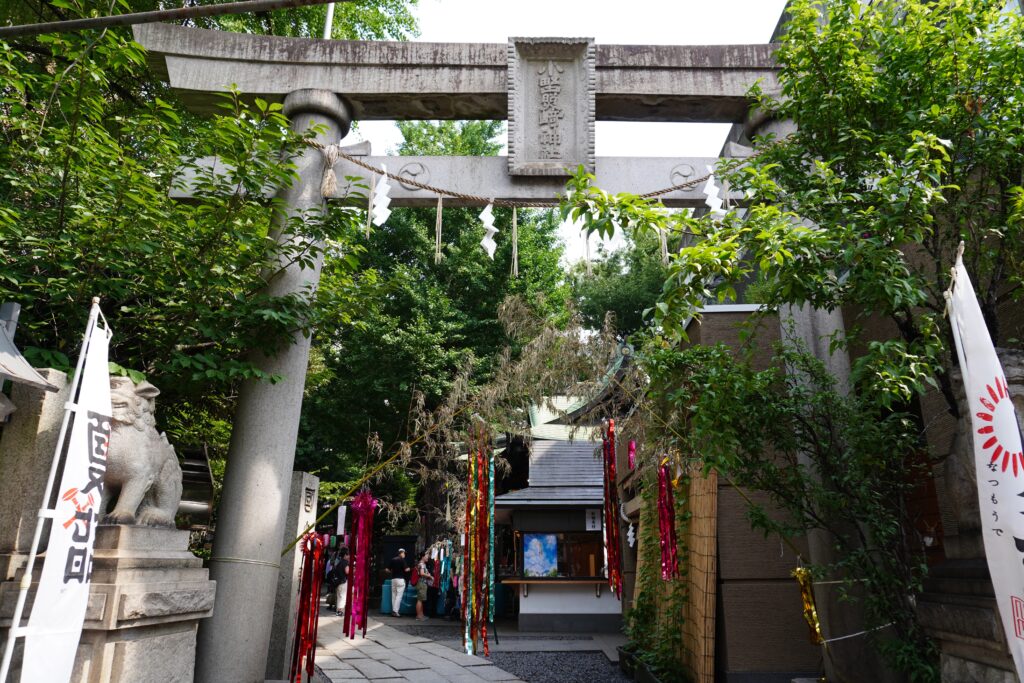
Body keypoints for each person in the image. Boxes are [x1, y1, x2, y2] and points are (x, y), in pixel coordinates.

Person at [386, 548, 410, 617]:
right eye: (404, 553)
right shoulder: (402, 560)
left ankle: (394, 611)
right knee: (399, 596)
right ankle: (395, 611)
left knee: (394, 595)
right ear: (401, 553)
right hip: (400, 580)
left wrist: (392, 572)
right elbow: (406, 570)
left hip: (393, 579)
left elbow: (387, 569)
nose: (405, 554)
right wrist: (409, 569)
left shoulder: (393, 559)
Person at [329, 547, 349, 616]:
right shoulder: (345, 562)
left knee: (339, 596)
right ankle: (340, 611)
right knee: (342, 597)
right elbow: (347, 572)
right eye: (348, 555)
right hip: (343, 581)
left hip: (338, 582)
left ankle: (338, 610)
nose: (349, 556)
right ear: (345, 555)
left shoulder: (339, 562)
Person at [415, 551, 433, 621]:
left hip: (422, 583)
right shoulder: (422, 564)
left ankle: (421, 615)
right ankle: (419, 616)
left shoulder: (422, 564)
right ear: (423, 556)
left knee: (421, 599)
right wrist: (429, 576)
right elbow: (422, 573)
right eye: (426, 555)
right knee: (420, 600)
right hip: (422, 583)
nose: (427, 557)